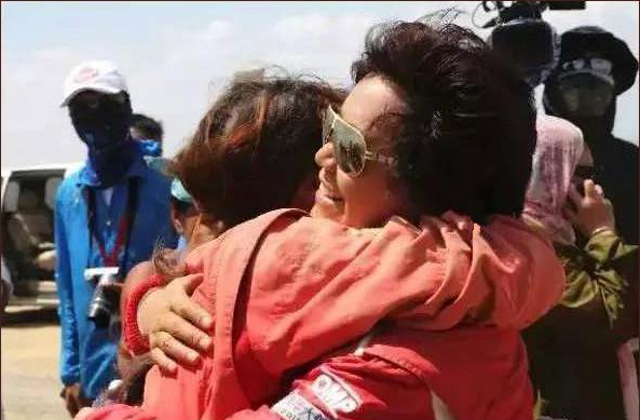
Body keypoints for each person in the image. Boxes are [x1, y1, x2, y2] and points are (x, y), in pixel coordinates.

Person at [81, 21, 565, 420]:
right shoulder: (350, 287)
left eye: (350, 147)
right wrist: (148, 300)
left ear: (434, 194)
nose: (323, 157)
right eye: (330, 128)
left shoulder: (403, 369)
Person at [54, 60, 177, 417]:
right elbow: (67, 289)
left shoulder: (165, 182)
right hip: (93, 371)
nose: (92, 117)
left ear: (126, 105)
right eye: (80, 108)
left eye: (102, 104)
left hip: (154, 366)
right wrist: (70, 371)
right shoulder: (68, 194)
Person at [520, 116, 638, 420]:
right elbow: (612, 320)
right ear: (546, 169)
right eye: (579, 173)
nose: (591, 188)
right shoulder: (530, 249)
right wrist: (603, 233)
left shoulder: (554, 238)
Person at [543, 26, 639, 243]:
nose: (587, 97)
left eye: (598, 89)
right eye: (575, 87)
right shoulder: (528, 155)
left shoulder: (632, 162)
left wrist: (601, 233)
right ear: (553, 93)